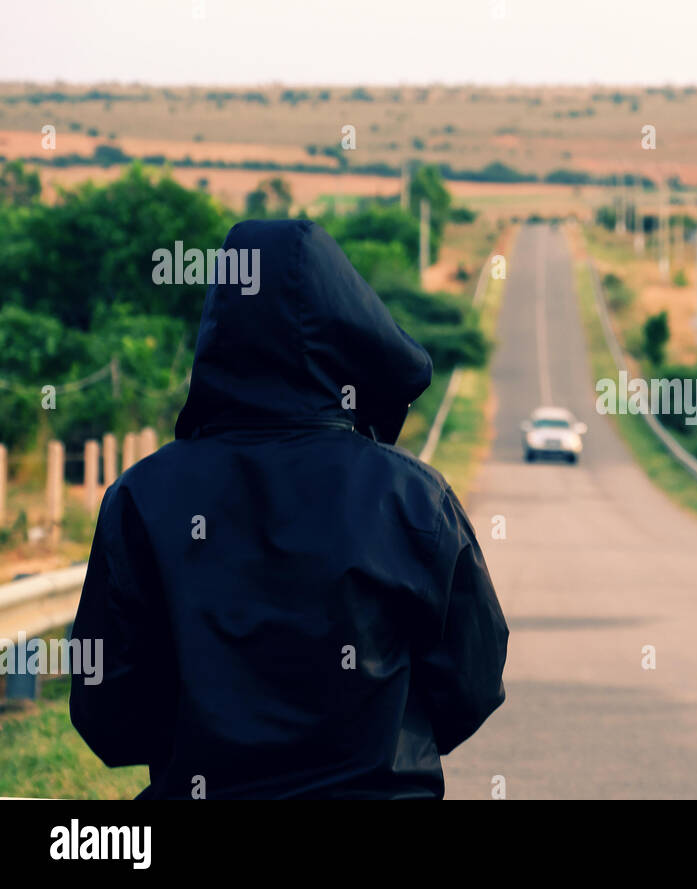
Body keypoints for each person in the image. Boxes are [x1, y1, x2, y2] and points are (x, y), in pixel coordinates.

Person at [70, 219, 508, 799]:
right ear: (351, 332)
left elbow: (107, 713)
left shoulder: (141, 497)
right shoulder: (413, 498)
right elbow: (473, 684)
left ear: (218, 329)